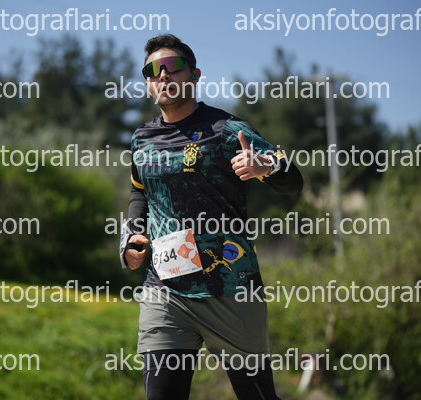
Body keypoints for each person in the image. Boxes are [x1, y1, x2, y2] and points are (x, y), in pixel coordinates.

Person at [119, 34, 303, 400]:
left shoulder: (228, 130)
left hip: (230, 289)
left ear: (195, 74)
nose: (163, 75)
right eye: (152, 71)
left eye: (173, 66)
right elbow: (139, 192)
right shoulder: (142, 139)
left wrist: (265, 167)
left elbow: (293, 181)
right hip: (165, 289)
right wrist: (133, 235)